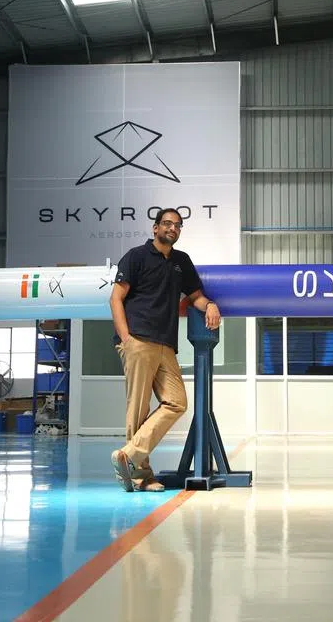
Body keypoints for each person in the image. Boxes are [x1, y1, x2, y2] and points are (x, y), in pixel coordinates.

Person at [108, 207, 221, 492]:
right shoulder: (136, 256)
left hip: (166, 344)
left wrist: (210, 305)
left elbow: (195, 296)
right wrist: (126, 338)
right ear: (155, 228)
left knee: (177, 402)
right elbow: (116, 298)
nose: (173, 228)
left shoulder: (181, 261)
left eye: (178, 225)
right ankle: (140, 476)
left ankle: (129, 455)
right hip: (138, 340)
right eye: (168, 224)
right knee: (138, 409)